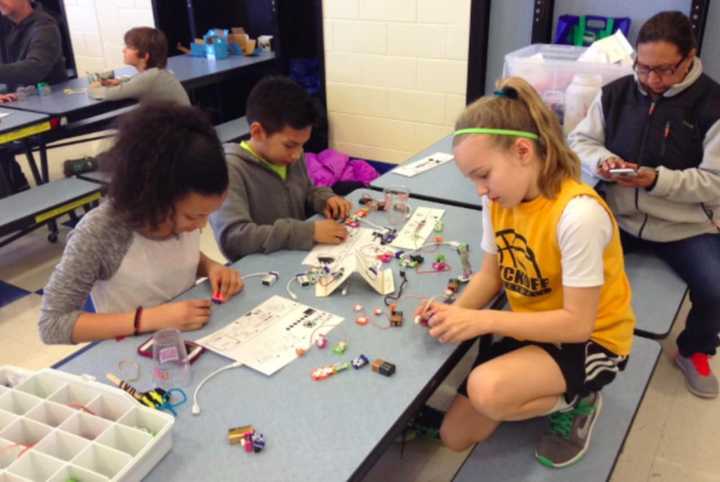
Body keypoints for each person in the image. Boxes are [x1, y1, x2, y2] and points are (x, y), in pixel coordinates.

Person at [418, 77, 636, 468]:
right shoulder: (500, 199)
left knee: (487, 390)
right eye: (473, 180)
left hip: (593, 340)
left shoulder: (578, 215)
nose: (480, 191)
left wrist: (480, 321)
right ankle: (529, 388)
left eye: (483, 175)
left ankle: (580, 398)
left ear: (523, 151)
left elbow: (577, 326)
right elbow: (490, 276)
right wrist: (452, 313)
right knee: (454, 437)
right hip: (532, 325)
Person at [568, 11, 720, 399]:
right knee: (568, 263)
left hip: (683, 226)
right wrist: (601, 162)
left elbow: (715, 183)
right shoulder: (617, 94)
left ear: (690, 58)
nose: (652, 80)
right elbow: (580, 141)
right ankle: (572, 337)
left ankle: (695, 350)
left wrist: (656, 179)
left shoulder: (713, 105)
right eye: (644, 67)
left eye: (665, 70)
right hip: (619, 216)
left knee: (716, 288)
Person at [39, 103, 243, 344]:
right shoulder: (101, 231)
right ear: (154, 198)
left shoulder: (176, 214)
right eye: (193, 217)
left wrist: (210, 267)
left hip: (186, 342)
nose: (201, 227)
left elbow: (171, 256)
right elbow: (52, 325)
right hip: (129, 357)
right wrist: (149, 319)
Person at [210, 76, 351, 260]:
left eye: (302, 145)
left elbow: (306, 191)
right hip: (261, 270)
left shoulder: (290, 156)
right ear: (257, 132)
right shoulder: (230, 170)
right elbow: (233, 239)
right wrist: (307, 232)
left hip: (296, 258)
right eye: (290, 145)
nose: (297, 154)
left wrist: (324, 199)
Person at [88, 26, 189, 106]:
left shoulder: (149, 78)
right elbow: (138, 80)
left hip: (175, 130)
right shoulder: (157, 73)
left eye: (129, 47)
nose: (124, 50)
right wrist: (120, 81)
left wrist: (93, 86)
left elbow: (107, 94)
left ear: (144, 56)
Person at [0, 0, 67, 90]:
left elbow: (34, 69)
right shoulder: (5, 23)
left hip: (48, 98)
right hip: (18, 98)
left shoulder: (45, 25)